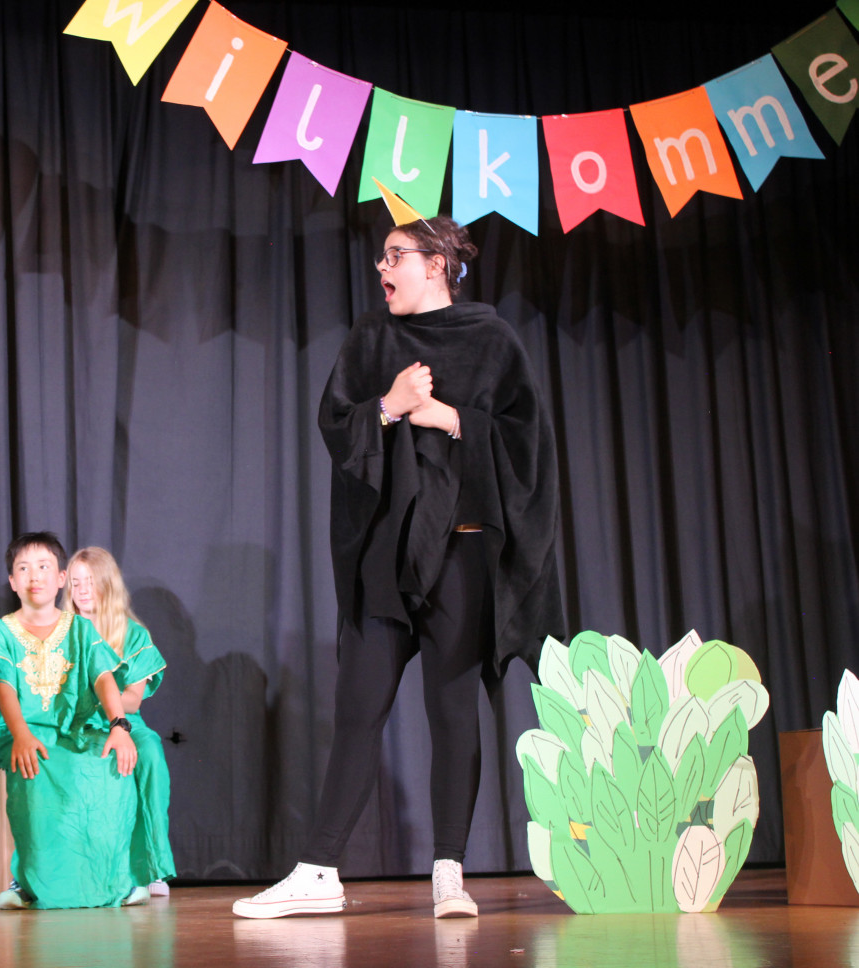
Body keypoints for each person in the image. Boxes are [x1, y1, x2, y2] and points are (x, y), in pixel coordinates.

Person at [232, 210, 561, 921]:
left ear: (436, 264)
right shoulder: (373, 337)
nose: (382, 269)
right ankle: (319, 871)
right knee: (359, 708)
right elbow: (336, 423)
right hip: (386, 555)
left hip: (462, 551)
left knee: (453, 709)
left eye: (395, 256)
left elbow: (528, 443)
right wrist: (389, 405)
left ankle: (449, 872)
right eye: (381, 258)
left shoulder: (491, 338)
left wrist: (453, 419)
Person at [0, 532, 143, 910]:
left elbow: (103, 677)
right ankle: (26, 883)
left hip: (74, 731)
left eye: (43, 566)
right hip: (20, 731)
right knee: (37, 767)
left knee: (110, 766)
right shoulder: (1, 632)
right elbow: (3, 686)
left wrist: (119, 726)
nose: (34, 575)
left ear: (61, 578)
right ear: (12, 581)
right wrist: (20, 734)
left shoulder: (80, 629)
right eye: (24, 568)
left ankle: (113, 880)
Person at [66, 547, 176, 896]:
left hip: (125, 722)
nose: (83, 590)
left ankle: (151, 867)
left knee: (150, 752)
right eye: (75, 582)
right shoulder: (60, 632)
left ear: (108, 584)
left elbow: (132, 700)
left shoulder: (134, 634)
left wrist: (102, 703)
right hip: (73, 723)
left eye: (91, 581)